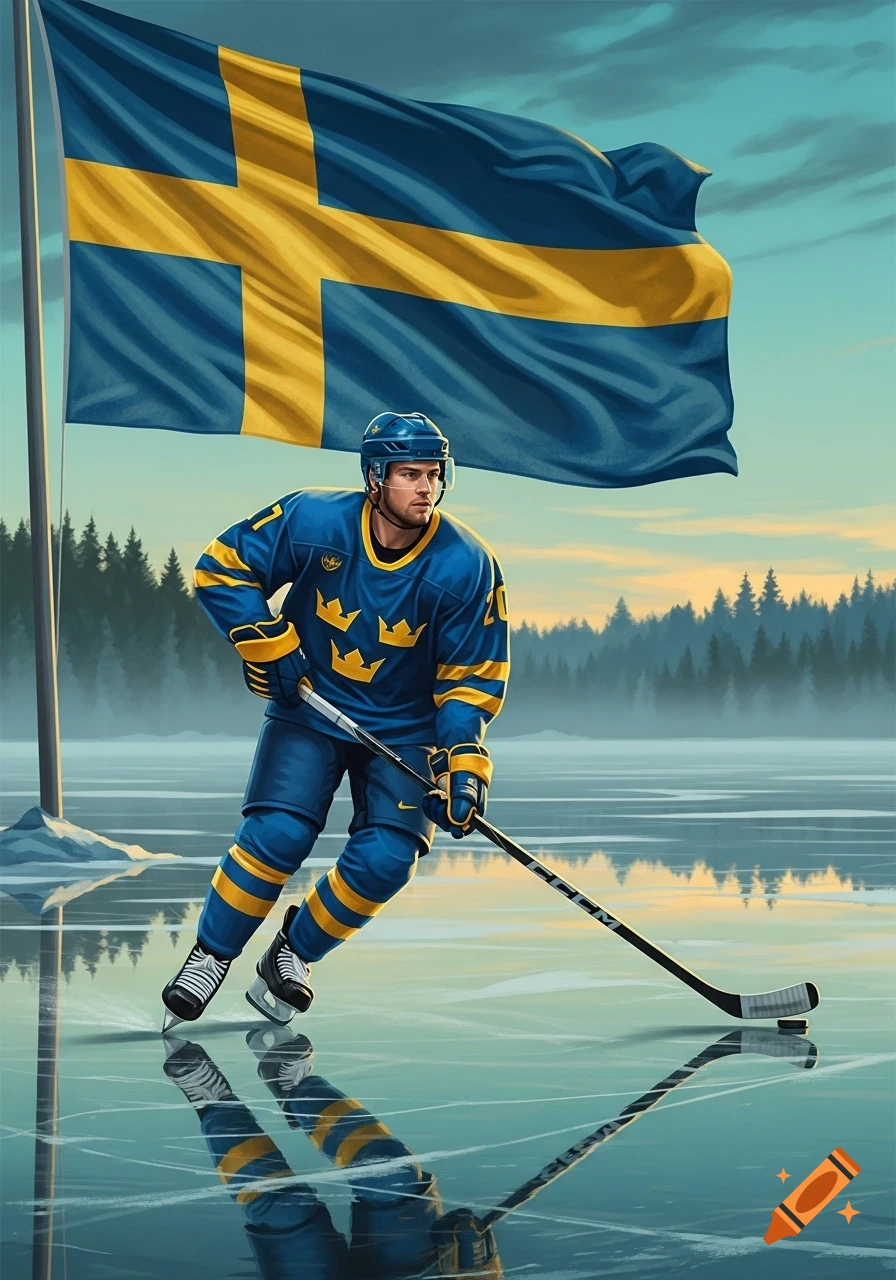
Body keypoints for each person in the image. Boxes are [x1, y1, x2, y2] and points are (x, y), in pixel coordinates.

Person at [162, 412, 509, 1030]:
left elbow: (470, 677)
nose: (424, 489)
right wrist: (266, 641)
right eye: (409, 474)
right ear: (375, 478)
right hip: (311, 709)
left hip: (407, 732)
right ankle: (210, 955)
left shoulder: (468, 566)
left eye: (433, 474)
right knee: (278, 836)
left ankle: (291, 953)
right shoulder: (312, 519)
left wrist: (463, 764)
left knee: (385, 861)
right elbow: (221, 567)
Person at [162, 1029, 503, 1278]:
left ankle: (215, 1102)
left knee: (280, 1207)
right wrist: (479, 1269)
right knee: (387, 1171)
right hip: (412, 1273)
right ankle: (296, 1088)